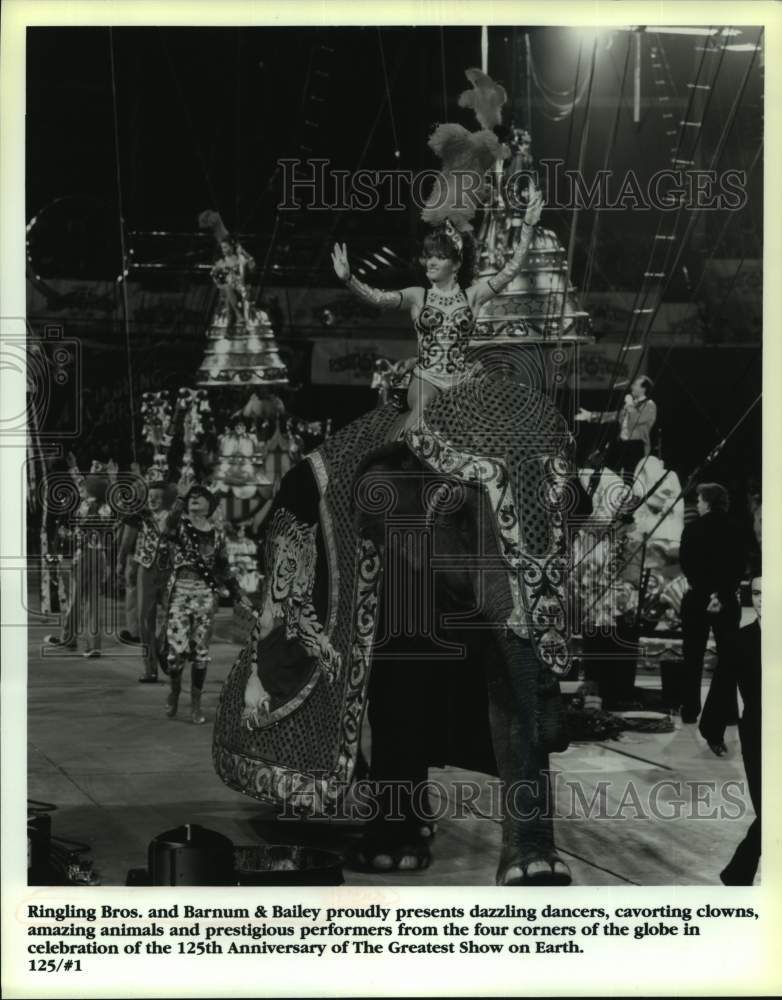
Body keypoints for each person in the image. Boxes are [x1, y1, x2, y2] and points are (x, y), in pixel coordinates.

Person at [331, 186, 545, 436]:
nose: (430, 262)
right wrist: (349, 279)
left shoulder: (473, 296)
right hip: (426, 380)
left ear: (455, 264)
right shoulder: (417, 295)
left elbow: (511, 271)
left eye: (439, 257)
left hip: (462, 383)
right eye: (428, 256)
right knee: (423, 407)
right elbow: (377, 298)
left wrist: (528, 227)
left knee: (496, 426)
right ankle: (392, 454)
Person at [161, 483, 250, 724]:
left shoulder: (218, 533)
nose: (194, 500)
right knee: (175, 654)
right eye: (191, 498)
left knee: (200, 653)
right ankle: (175, 690)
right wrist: (180, 497)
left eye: (200, 498)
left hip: (205, 596)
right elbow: (166, 527)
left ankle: (196, 704)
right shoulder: (180, 526)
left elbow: (223, 567)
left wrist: (237, 592)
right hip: (180, 592)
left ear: (210, 505)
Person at [699, 572, 761, 884]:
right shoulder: (740, 640)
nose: (765, 601)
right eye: (758, 594)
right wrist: (712, 729)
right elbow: (722, 685)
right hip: (758, 733)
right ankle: (738, 873)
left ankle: (738, 874)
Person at [678, 482, 745, 724]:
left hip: (698, 598)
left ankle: (690, 710)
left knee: (692, 656)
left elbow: (686, 563)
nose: (697, 504)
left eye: (699, 500)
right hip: (727, 598)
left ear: (707, 501)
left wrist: (707, 593)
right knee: (727, 657)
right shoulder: (738, 529)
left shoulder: (692, 529)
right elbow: (740, 566)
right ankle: (727, 712)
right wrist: (720, 593)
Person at [117, 481, 171, 682]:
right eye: (151, 496)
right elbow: (126, 540)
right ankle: (150, 669)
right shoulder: (140, 516)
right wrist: (122, 564)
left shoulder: (174, 518)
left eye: (158, 496)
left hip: (168, 571)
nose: (154, 499)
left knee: (172, 616)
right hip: (145, 570)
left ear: (166, 499)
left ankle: (161, 647)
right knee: (145, 620)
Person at [575, 376, 657, 486]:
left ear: (643, 389)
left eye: (635, 384)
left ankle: (630, 500)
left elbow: (635, 419)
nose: (631, 386)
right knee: (612, 472)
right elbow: (613, 416)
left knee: (630, 477)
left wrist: (629, 404)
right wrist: (590, 415)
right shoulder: (631, 405)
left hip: (636, 446)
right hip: (622, 443)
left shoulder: (650, 405)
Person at [210, 236, 255, 329]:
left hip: (241, 289)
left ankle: (233, 322)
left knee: (228, 296)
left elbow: (252, 265)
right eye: (222, 247)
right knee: (227, 289)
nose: (223, 250)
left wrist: (242, 251)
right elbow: (213, 274)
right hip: (228, 289)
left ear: (231, 247)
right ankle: (238, 316)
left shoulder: (239, 259)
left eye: (225, 247)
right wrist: (219, 285)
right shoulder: (221, 262)